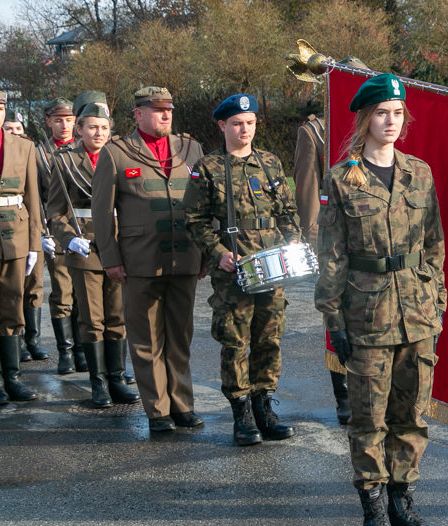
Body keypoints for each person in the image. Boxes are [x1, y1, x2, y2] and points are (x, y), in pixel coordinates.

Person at [315, 74, 446, 526]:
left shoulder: (420, 172)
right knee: (369, 418)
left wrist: (439, 299)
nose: (390, 122)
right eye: (381, 113)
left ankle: (402, 504)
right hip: (366, 312)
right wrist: (333, 321)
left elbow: (435, 243)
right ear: (364, 119)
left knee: (412, 414)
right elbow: (331, 254)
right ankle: (373, 513)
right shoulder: (342, 177)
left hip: (417, 309)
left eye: (397, 114)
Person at [183, 93, 300, 446]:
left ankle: (264, 407)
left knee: (269, 337)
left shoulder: (269, 163)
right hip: (233, 267)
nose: (244, 129)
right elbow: (193, 219)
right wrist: (217, 252)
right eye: (237, 123)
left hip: (272, 265)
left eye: (249, 123)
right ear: (223, 125)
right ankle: (241, 414)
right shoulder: (208, 167)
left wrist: (293, 241)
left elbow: (287, 211)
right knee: (236, 340)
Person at [91, 86, 204, 432]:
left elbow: (205, 204)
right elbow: (101, 212)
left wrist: (206, 254)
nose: (165, 115)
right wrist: (110, 258)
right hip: (139, 260)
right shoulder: (117, 153)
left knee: (180, 335)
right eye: (156, 110)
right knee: (146, 339)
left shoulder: (191, 149)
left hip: (185, 256)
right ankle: (158, 411)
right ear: (138, 114)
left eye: (168, 109)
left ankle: (182, 404)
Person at [48, 103, 140, 409]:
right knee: (92, 319)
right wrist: (69, 239)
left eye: (103, 127)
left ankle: (117, 378)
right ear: (79, 129)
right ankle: (98, 383)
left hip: (118, 244)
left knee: (117, 316)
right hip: (85, 245)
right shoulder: (66, 162)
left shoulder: (120, 156)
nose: (98, 133)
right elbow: (56, 212)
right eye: (91, 127)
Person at [293, 113, 351, 425]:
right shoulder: (315, 130)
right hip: (333, 237)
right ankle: (344, 395)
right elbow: (307, 186)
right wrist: (314, 237)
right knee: (336, 313)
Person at [0, 88, 43, 405]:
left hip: (16, 233)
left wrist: (36, 243)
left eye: (0, 107)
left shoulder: (24, 147)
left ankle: (12, 376)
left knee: (13, 305)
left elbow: (33, 196)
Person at [36, 97, 87, 374]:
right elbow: (36, 196)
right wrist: (42, 233)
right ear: (49, 122)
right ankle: (66, 351)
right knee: (63, 292)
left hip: (84, 231)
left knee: (84, 294)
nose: (64, 125)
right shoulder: (39, 154)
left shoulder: (83, 149)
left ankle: (83, 350)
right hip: (55, 231)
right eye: (58, 120)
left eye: (69, 120)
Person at [4, 109, 49, 364]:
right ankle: (17, 341)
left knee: (34, 286)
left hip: (34, 227)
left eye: (17, 129)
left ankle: (32, 340)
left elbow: (41, 194)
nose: (14, 133)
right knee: (12, 291)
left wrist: (42, 232)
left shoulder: (32, 152)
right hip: (12, 228)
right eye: (9, 129)